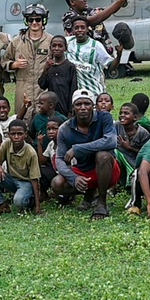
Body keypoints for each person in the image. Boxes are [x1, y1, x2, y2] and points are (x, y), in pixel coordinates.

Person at [51, 88, 120, 220]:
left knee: (103, 155)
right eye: (78, 104)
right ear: (73, 108)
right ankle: (88, 194)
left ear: (93, 106)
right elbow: (59, 159)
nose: (83, 108)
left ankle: (101, 202)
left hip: (108, 170)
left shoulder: (104, 117)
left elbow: (111, 141)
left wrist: (78, 149)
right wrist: (73, 178)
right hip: (83, 171)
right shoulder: (65, 128)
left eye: (87, 104)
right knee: (57, 183)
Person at [5, 3, 54, 120]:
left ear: (44, 21)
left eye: (38, 19)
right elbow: (4, 61)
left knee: (43, 121)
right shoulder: (17, 42)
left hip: (44, 89)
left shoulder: (52, 41)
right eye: (30, 20)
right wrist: (14, 64)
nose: (34, 23)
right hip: (23, 89)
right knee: (22, 122)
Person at [0, 120, 43, 215]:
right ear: (8, 135)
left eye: (19, 134)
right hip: (11, 180)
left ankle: (30, 201)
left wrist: (38, 206)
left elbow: (34, 179)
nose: (16, 137)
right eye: (13, 134)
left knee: (19, 202)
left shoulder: (31, 152)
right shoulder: (7, 144)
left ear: (25, 135)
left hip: (26, 183)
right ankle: (1, 203)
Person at [66, 17, 122, 96]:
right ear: (72, 30)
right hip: (75, 94)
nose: (79, 30)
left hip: (94, 91)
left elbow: (110, 66)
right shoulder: (67, 42)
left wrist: (119, 55)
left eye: (82, 27)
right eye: (76, 28)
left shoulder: (96, 45)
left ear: (87, 29)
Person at [61, 0, 131, 45]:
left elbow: (109, 10)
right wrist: (119, 0)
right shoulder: (69, 17)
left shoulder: (90, 12)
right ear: (72, 2)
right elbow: (95, 19)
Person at [38, 35, 78, 117]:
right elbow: (42, 85)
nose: (56, 48)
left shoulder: (70, 66)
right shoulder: (50, 66)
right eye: (54, 46)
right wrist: (45, 69)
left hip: (66, 108)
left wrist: (71, 110)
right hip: (52, 109)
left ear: (65, 48)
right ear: (50, 47)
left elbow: (73, 89)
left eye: (60, 46)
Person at [114, 102, 150, 183]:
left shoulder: (143, 133)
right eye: (121, 113)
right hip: (118, 159)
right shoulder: (116, 126)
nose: (122, 115)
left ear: (135, 117)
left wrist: (129, 148)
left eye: (126, 113)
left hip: (134, 162)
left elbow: (146, 154)